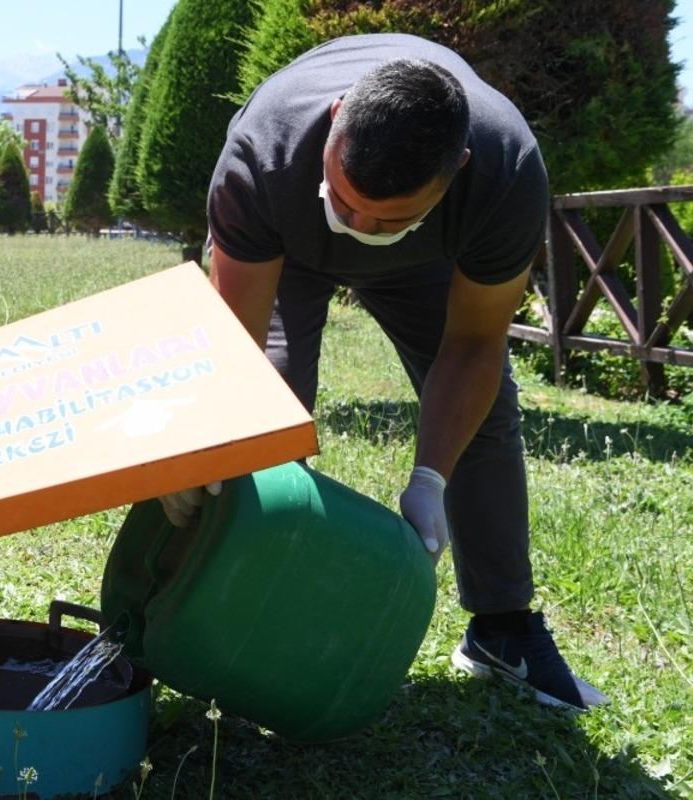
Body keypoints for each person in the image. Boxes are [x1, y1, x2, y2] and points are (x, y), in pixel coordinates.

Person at [160, 33, 605, 711]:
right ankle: (202, 605)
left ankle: (503, 629)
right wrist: (205, 447)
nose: (357, 224)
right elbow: (235, 348)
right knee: (268, 406)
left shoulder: (505, 171)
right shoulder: (265, 151)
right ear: (336, 117)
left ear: (455, 170)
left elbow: (475, 344)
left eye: (383, 216)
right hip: (286, 239)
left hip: (424, 261)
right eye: (346, 201)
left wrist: (431, 477)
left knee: (482, 414)